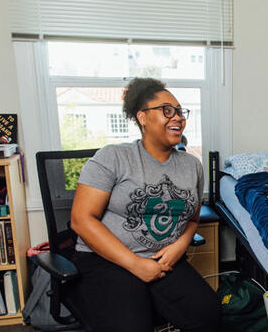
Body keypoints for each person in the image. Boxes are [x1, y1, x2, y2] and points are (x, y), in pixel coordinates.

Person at [68, 77, 220, 331]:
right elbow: (81, 220)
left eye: (181, 112)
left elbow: (193, 220)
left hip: (163, 261)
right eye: (167, 110)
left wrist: (179, 247)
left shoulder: (192, 165)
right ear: (142, 117)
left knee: (209, 314)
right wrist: (135, 264)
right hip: (107, 261)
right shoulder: (114, 157)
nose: (178, 118)